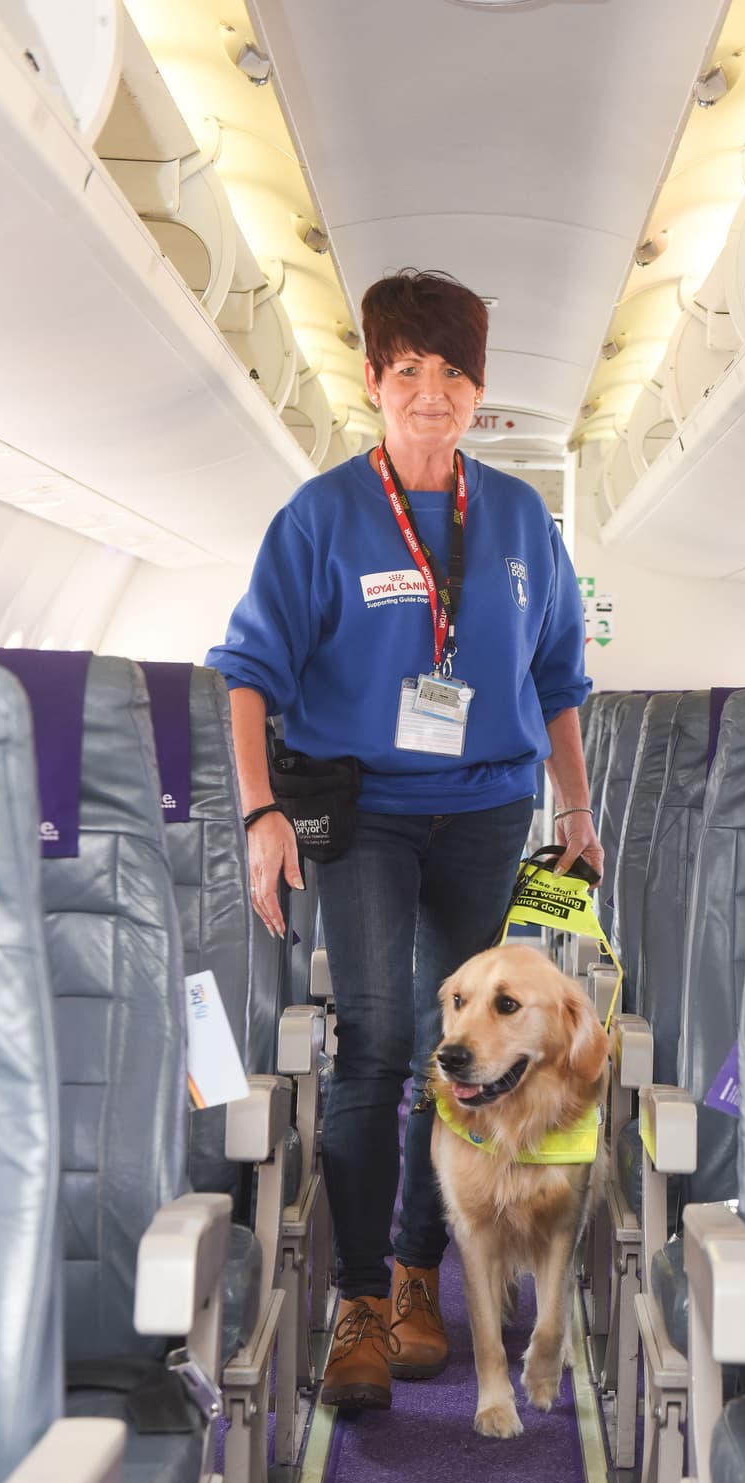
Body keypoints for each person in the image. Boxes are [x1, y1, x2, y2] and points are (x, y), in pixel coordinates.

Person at [206, 269, 601, 1413]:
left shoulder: (520, 519)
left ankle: (427, 1274)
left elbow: (559, 677)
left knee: (468, 1062)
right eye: (408, 372)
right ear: (374, 382)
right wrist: (257, 811)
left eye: (453, 375)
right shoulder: (322, 515)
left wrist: (574, 809)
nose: (431, 395)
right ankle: (362, 1301)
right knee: (379, 1038)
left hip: (485, 809)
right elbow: (246, 673)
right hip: (365, 809)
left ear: (479, 392)